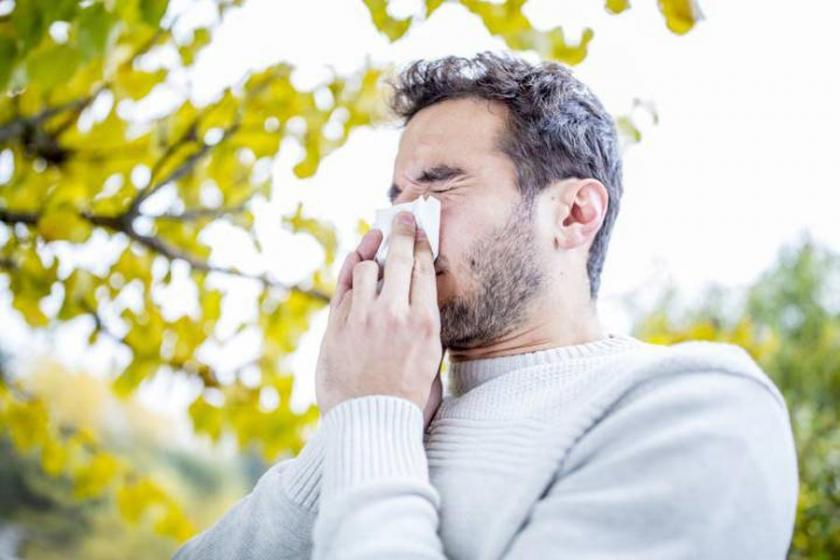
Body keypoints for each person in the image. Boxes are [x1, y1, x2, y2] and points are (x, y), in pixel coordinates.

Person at [173, 51, 798, 559]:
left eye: (441, 183)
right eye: (397, 194)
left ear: (574, 214)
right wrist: (355, 428)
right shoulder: (393, 414)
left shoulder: (692, 407)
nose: (401, 224)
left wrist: (371, 421)